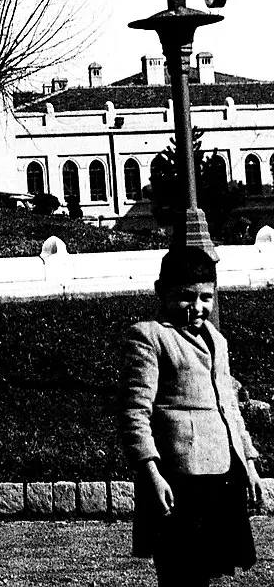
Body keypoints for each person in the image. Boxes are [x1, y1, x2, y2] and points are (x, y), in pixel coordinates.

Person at [119, 246, 263, 587]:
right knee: (179, 573)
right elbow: (134, 413)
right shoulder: (148, 337)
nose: (197, 307)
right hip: (176, 480)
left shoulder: (217, 340)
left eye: (205, 297)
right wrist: (151, 473)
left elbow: (229, 407)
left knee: (205, 572)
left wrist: (251, 466)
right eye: (186, 297)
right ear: (160, 291)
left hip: (219, 476)